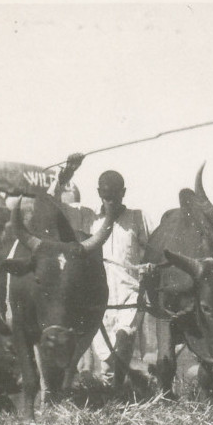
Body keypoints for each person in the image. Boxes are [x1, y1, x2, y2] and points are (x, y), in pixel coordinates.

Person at [55, 153, 153, 388]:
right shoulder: (87, 218)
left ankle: (120, 387)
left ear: (123, 193)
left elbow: (152, 249)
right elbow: (55, 204)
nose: (110, 201)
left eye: (115, 195)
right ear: (99, 193)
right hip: (97, 296)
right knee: (107, 360)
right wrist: (66, 175)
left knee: (124, 339)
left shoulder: (137, 218)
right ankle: (118, 393)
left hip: (129, 293)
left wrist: (149, 266)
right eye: (106, 196)